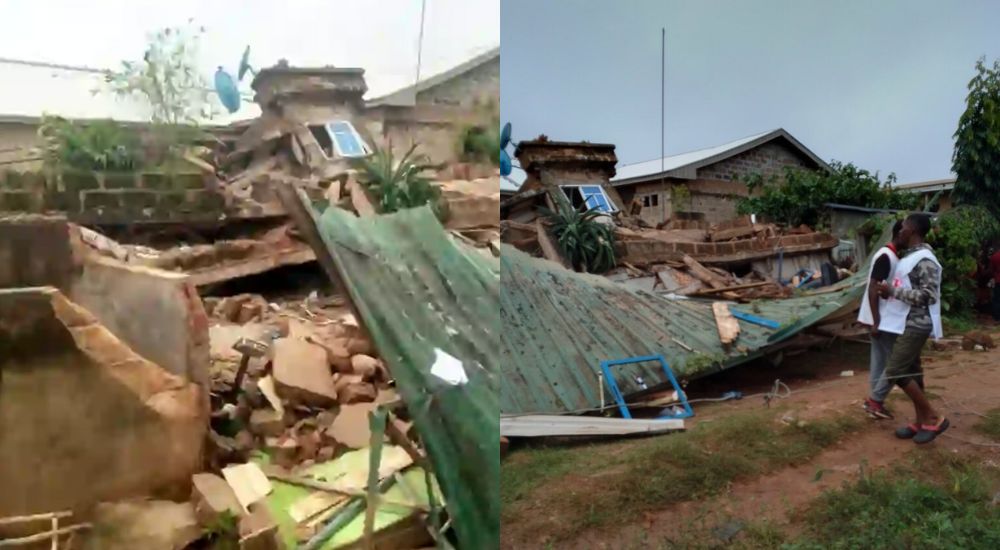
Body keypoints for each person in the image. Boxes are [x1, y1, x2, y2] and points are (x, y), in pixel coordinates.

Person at [876, 213, 948, 444]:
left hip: (917, 323)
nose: (900, 230)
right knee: (914, 373)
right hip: (905, 322)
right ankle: (920, 422)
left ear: (914, 230)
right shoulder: (911, 257)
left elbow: (929, 296)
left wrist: (892, 292)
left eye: (904, 226)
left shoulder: (925, 259)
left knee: (895, 370)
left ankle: (933, 416)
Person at [857, 220, 905, 419]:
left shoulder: (891, 256)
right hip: (881, 320)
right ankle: (876, 400)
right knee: (896, 363)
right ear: (901, 234)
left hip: (879, 318)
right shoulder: (886, 256)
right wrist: (876, 322)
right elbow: (873, 288)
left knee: (879, 361)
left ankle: (874, 402)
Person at [990, 241, 1000, 321]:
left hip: (998, 280)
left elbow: (992, 270)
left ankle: (997, 317)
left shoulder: (994, 257)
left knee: (997, 299)